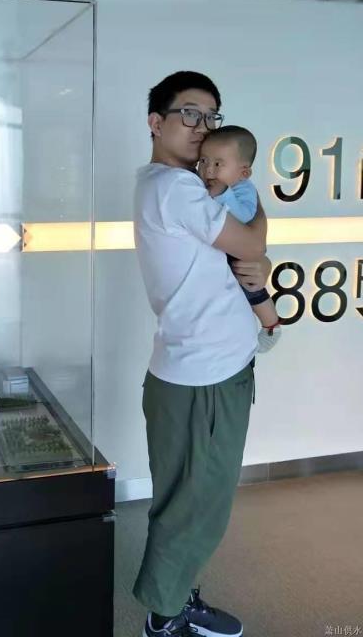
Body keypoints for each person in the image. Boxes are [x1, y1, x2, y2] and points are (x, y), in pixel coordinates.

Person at [133, 71, 271, 637]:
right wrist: (256, 211)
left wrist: (255, 260)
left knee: (185, 501)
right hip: (206, 378)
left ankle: (173, 599)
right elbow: (250, 243)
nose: (203, 126)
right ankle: (165, 619)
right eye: (189, 113)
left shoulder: (173, 185)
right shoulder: (177, 187)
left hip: (193, 371)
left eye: (211, 116)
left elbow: (237, 259)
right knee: (198, 506)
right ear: (156, 122)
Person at [198, 125, 281, 353]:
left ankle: (271, 325)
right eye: (203, 161)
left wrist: (222, 194)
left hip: (239, 254)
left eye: (218, 164)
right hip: (221, 253)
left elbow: (245, 215)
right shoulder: (201, 185)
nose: (208, 170)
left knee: (252, 289)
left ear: (243, 173)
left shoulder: (244, 189)